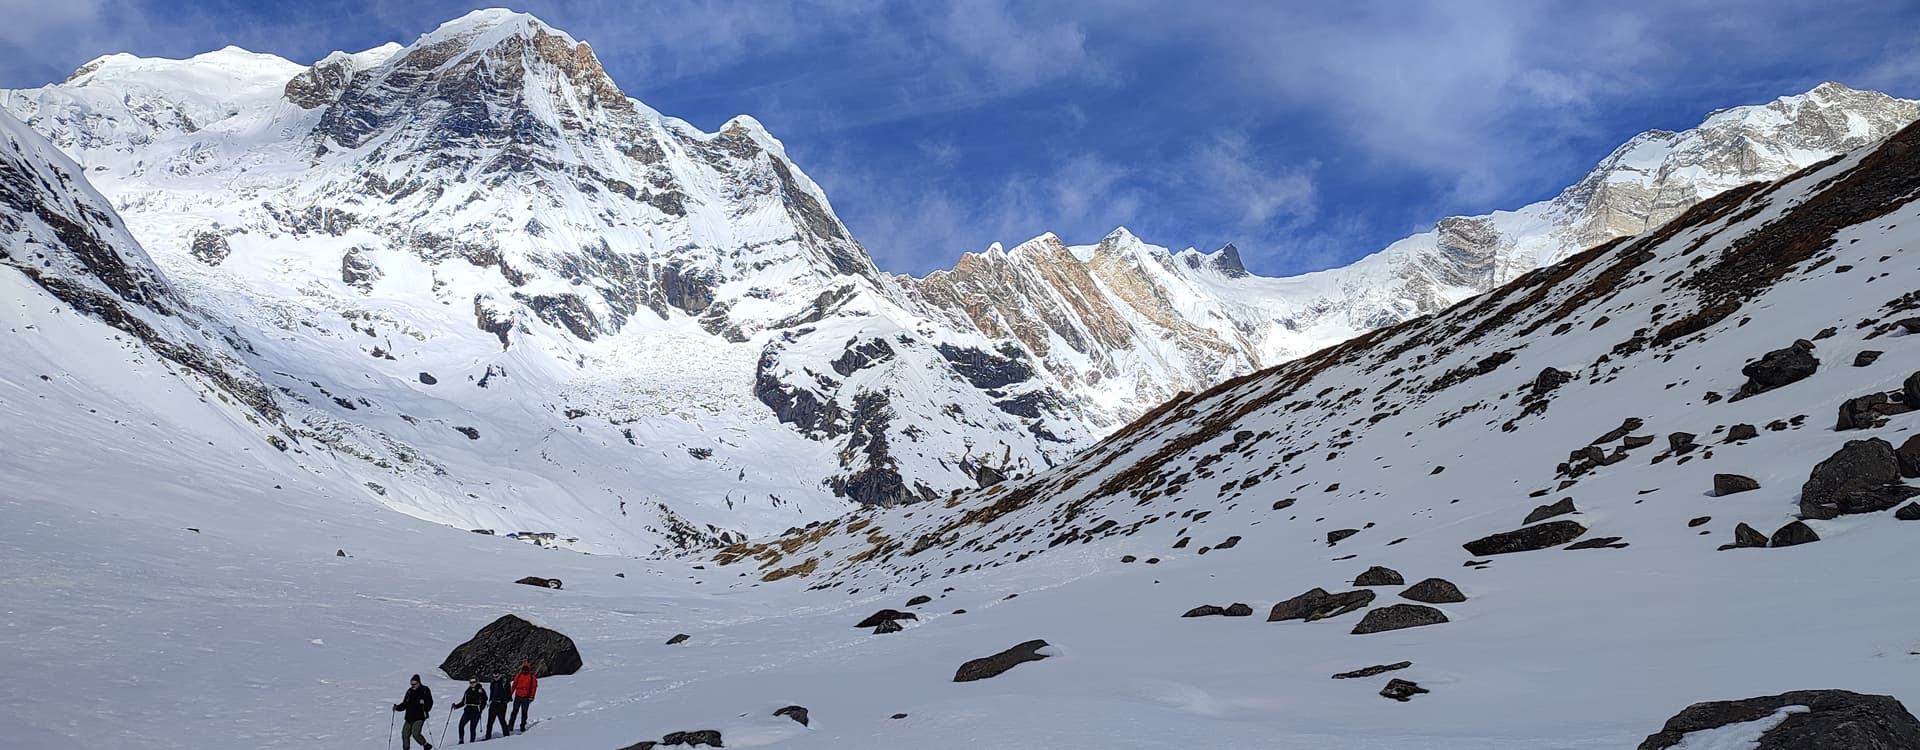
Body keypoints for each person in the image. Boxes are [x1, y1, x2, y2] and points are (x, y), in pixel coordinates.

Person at [392, 674, 434, 750]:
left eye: (414, 684)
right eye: (411, 684)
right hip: (409, 717)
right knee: (404, 733)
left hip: (420, 716)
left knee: (415, 733)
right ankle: (406, 748)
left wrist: (425, 704)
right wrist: (397, 707)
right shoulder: (409, 692)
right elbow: (405, 703)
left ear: (419, 683)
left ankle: (425, 745)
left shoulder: (424, 690)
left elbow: (430, 702)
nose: (412, 686)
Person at [452, 678, 486, 744]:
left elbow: (484, 700)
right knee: (461, 725)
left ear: (477, 682)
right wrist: (456, 706)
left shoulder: (480, 690)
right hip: (468, 710)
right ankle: (461, 740)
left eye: (474, 682)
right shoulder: (468, 690)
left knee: (472, 727)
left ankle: (472, 742)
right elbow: (463, 702)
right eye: (470, 682)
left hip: (476, 711)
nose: (472, 684)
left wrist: (481, 709)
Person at [508, 661, 538, 732]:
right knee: (514, 711)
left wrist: (532, 696)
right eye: (524, 668)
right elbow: (514, 685)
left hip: (526, 697)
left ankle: (522, 726)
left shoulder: (531, 676)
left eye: (526, 668)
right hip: (518, 695)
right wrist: (510, 695)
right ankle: (510, 726)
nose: (525, 670)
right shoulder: (518, 675)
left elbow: (534, 687)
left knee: (524, 712)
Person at [485, 673, 513, 739]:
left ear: (500, 675)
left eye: (496, 676)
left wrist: (505, 700)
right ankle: (487, 737)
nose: (495, 678)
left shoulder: (504, 682)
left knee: (502, 720)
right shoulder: (492, 682)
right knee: (489, 722)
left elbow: (509, 693)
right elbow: (492, 693)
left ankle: (506, 736)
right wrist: (490, 701)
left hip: (501, 704)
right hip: (493, 704)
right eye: (494, 676)